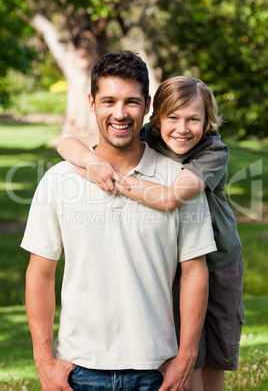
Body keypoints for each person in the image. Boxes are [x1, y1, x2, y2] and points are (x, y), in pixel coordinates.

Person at [22, 51, 217, 391]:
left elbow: (194, 271)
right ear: (92, 103)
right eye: (109, 101)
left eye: (131, 102)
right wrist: (44, 361)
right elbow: (40, 272)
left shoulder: (178, 182)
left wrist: (186, 357)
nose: (120, 113)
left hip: (158, 369)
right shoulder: (59, 180)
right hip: (78, 369)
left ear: (147, 105)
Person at [57, 75, 245, 390]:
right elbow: (66, 144)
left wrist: (111, 177)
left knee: (217, 355)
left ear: (207, 121)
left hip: (219, 263)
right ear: (156, 118)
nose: (182, 129)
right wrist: (91, 162)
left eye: (193, 120)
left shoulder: (213, 151)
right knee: (189, 353)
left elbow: (171, 197)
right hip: (175, 262)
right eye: (173, 117)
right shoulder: (148, 137)